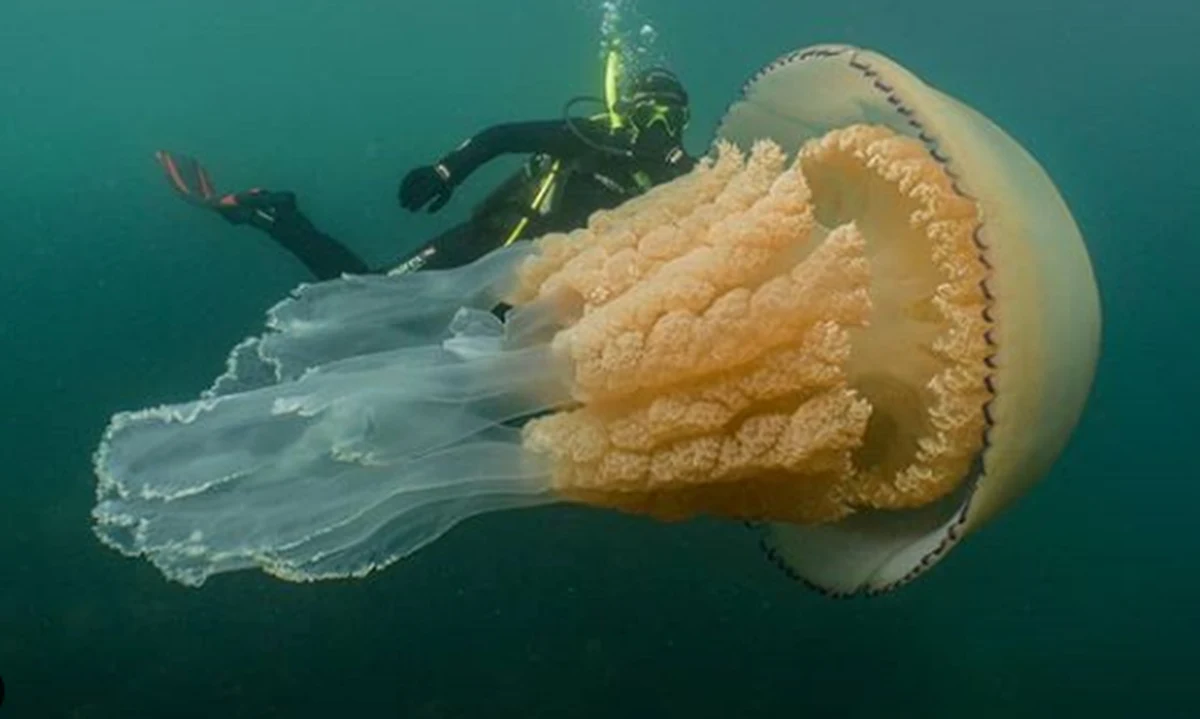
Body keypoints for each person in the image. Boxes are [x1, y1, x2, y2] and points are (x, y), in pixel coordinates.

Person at [156, 64, 696, 281]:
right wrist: (445, 172)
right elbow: (503, 136)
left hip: (544, 287)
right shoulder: (593, 135)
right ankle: (276, 215)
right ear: (627, 107)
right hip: (486, 241)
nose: (658, 123)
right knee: (368, 296)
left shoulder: (685, 176)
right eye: (649, 110)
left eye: (670, 116)